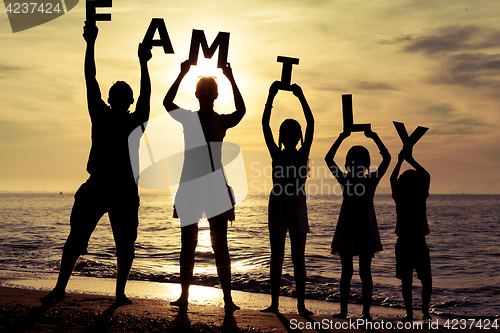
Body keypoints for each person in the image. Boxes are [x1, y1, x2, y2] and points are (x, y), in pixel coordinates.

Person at [41, 23, 152, 306]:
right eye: (116, 95)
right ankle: (63, 288)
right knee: (79, 238)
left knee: (122, 245)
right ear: (115, 100)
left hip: (122, 189)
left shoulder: (130, 121)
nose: (118, 99)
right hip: (101, 185)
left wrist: (142, 63)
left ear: (125, 101)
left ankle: (115, 293)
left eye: (122, 96)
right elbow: (91, 79)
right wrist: (91, 44)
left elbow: (142, 96)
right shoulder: (106, 116)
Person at [163, 60, 245, 311]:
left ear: (216, 95)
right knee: (188, 242)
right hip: (190, 184)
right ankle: (184, 296)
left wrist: (230, 77)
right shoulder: (188, 118)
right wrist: (182, 73)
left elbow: (241, 111)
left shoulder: (222, 121)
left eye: (211, 90)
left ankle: (228, 299)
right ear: (197, 94)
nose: (208, 93)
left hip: (215, 186)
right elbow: (167, 103)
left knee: (220, 244)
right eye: (204, 89)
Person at [260, 81, 315, 316]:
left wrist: (302, 97)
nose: (290, 136)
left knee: (297, 258)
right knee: (277, 257)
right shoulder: (276, 154)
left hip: (297, 206)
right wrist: (270, 97)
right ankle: (274, 303)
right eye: (287, 133)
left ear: (299, 136)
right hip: (279, 206)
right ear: (282, 136)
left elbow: (311, 123)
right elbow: (265, 124)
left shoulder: (303, 154)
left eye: (294, 133)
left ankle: (301, 305)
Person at [324, 130, 391, 320]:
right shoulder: (369, 180)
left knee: (350, 272)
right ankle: (364, 313)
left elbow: (329, 158)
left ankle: (350, 311)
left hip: (353, 228)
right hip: (361, 228)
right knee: (363, 272)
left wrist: (341, 137)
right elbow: (387, 158)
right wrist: (375, 137)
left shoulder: (349, 179)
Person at [390, 146, 432, 322]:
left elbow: (394, 178)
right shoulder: (410, 196)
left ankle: (416, 312)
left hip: (409, 242)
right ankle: (420, 312)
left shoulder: (413, 196)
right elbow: (426, 176)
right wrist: (409, 159)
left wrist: (402, 160)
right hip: (413, 242)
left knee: (411, 281)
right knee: (421, 281)